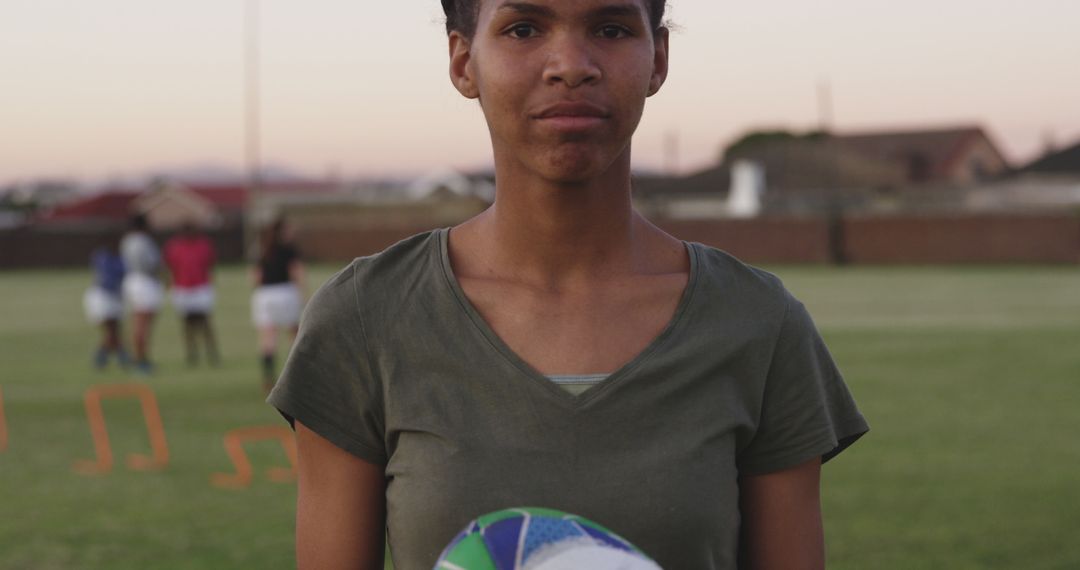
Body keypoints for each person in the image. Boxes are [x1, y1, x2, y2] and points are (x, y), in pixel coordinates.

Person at [268, 1, 869, 568]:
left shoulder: (758, 323)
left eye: (610, 28)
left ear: (658, 58)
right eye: (524, 28)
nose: (571, 66)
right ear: (463, 61)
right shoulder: (366, 317)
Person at [251, 218, 305, 392]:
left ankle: (268, 378)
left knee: (268, 337)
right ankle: (296, 377)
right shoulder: (289, 250)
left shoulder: (264, 250)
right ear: (282, 232)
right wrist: (303, 294)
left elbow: (255, 277)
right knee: (295, 334)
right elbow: (297, 273)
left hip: (264, 295)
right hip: (285, 293)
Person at [163, 221, 220, 366]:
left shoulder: (203, 245)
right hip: (183, 289)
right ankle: (191, 354)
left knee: (205, 323)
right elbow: (170, 266)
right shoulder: (174, 246)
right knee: (187, 324)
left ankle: (212, 353)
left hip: (201, 288)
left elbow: (210, 264)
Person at [120, 213, 163, 375]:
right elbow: (153, 263)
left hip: (132, 281)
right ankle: (140, 359)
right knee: (143, 324)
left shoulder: (127, 240)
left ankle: (138, 356)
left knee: (138, 322)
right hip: (144, 282)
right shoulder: (143, 241)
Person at [83, 238, 130, 369]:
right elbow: (108, 280)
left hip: (115, 297)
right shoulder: (103, 257)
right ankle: (119, 357)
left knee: (114, 331)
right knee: (110, 331)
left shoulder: (120, 259)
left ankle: (115, 357)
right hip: (102, 297)